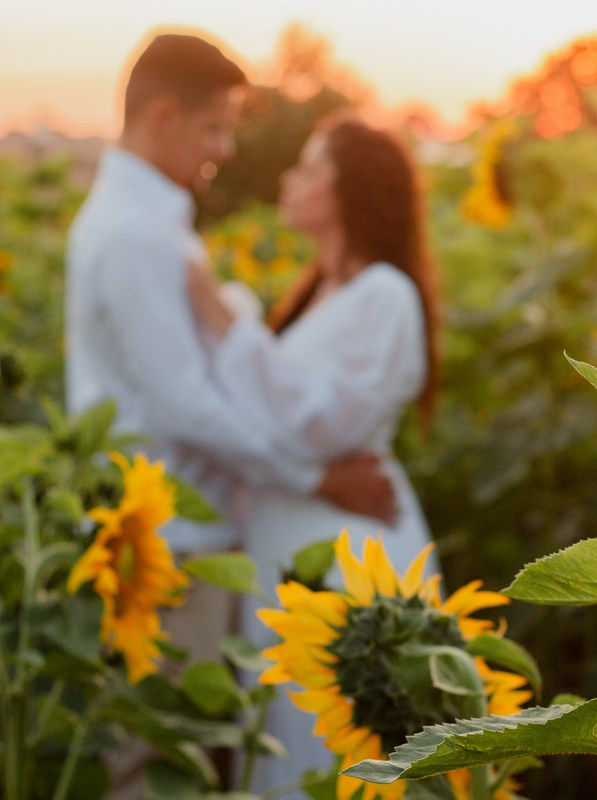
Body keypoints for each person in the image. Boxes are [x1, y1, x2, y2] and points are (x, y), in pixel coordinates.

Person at [65, 31, 397, 797]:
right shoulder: (134, 232)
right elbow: (184, 402)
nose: (222, 149)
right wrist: (313, 477)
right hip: (169, 543)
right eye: (214, 126)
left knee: (172, 754)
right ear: (164, 116)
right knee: (160, 760)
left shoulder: (146, 218)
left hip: (174, 530)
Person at [185, 114, 440, 797]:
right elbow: (268, 407)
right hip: (292, 545)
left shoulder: (384, 293)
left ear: (349, 190)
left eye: (308, 167)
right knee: (288, 747)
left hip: (347, 553)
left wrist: (224, 317)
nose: (288, 180)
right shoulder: (320, 291)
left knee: (335, 759)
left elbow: (321, 420)